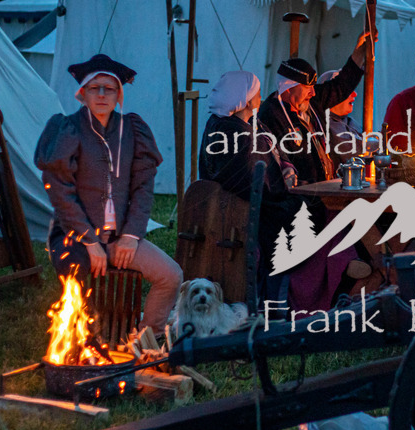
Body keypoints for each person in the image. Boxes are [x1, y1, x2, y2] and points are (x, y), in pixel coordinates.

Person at [35, 54, 182, 332]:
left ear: (119, 94)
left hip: (119, 237)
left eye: (109, 88)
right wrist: (89, 241)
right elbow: (61, 194)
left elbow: (143, 189)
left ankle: (144, 341)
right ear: (83, 94)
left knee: (171, 276)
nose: (102, 94)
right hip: (75, 237)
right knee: (77, 284)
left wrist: (129, 236)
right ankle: (82, 344)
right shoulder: (67, 129)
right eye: (95, 88)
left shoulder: (134, 130)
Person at [198, 71, 301, 289]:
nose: (261, 99)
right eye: (257, 94)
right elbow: (245, 183)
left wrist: (285, 167)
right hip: (246, 214)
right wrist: (280, 197)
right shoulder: (232, 132)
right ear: (245, 99)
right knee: (305, 215)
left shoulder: (248, 123)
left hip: (262, 203)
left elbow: (274, 150)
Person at [258, 32, 372, 185]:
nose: (312, 93)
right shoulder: (271, 115)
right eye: (307, 87)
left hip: (322, 187)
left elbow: (341, 85)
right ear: (288, 88)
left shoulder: (311, 102)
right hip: (300, 194)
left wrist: (360, 53)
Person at [315, 69, 366, 167]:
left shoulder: (350, 122)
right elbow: (348, 154)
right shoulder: (323, 126)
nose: (355, 94)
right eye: (348, 91)